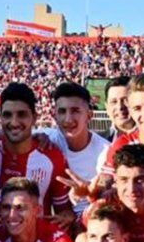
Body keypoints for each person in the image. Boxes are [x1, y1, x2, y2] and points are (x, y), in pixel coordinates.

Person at [0, 82, 74, 231]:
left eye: (21, 114)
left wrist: (67, 217)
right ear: (0, 117)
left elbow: (64, 212)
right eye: (7, 115)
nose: (14, 122)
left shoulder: (53, 158)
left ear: (34, 118)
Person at [43, 82, 111, 218]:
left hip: (89, 222)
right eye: (62, 111)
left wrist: (90, 191)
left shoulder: (105, 151)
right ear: (55, 115)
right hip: (56, 221)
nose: (68, 119)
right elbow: (5, 135)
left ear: (89, 115)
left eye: (75, 111)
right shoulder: (46, 139)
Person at [101, 76, 135, 141]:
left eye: (125, 100)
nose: (120, 107)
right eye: (114, 102)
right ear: (107, 107)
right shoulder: (98, 141)